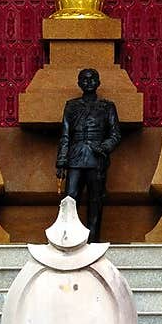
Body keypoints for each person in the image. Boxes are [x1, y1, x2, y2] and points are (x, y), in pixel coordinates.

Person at [56, 66, 121, 242]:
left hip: (96, 158)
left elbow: (115, 134)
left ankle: (93, 240)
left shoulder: (107, 107)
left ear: (98, 82)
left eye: (92, 79)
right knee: (70, 198)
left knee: (95, 200)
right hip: (75, 157)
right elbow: (65, 134)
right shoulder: (71, 106)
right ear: (79, 83)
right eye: (84, 79)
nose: (89, 82)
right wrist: (61, 161)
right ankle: (68, 238)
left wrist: (105, 146)